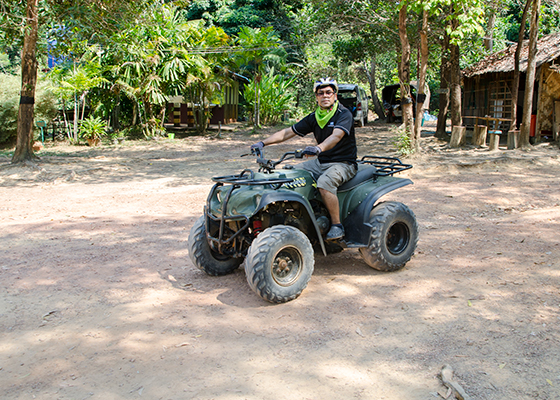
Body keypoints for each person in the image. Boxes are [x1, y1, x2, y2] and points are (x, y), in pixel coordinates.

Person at [250, 78, 358, 240]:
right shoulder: (315, 117)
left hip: (343, 163)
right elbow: (288, 132)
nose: (325, 96)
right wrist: (262, 142)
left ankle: (337, 225)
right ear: (316, 97)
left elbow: (336, 136)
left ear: (335, 95)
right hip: (321, 162)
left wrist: (318, 148)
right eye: (320, 93)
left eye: (329, 92)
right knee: (291, 174)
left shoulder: (344, 114)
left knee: (325, 183)